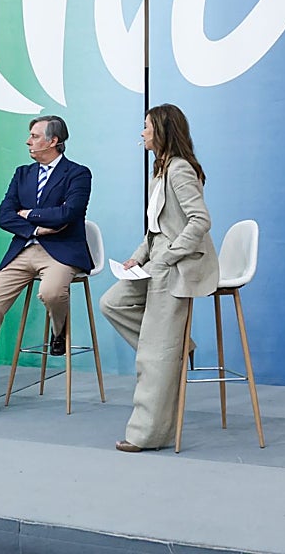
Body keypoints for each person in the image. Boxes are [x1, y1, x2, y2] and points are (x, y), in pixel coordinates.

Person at [0, 115, 93, 418]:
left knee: (52, 292)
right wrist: (37, 227)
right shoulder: (22, 173)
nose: (28, 141)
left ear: (53, 141)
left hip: (61, 252)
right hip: (24, 248)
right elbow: (5, 215)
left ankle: (59, 328)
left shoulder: (78, 173)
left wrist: (30, 214)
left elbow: (70, 213)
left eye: (34, 136)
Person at [100, 104, 218, 452]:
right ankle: (177, 347)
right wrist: (139, 257)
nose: (142, 133)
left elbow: (200, 220)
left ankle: (147, 434)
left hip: (176, 266)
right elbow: (157, 229)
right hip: (158, 261)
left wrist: (170, 255)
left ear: (162, 130)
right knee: (112, 302)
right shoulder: (161, 170)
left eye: (147, 127)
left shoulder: (180, 170)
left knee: (153, 355)